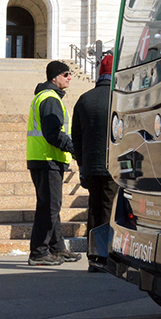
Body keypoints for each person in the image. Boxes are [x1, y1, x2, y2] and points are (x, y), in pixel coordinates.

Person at [26, 60, 81, 266]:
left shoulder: (48, 97)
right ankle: (39, 253)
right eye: (66, 74)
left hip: (44, 158)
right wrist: (74, 148)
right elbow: (52, 134)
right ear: (54, 77)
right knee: (49, 207)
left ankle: (57, 248)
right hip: (47, 158)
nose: (69, 77)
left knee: (51, 205)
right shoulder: (50, 99)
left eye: (70, 74)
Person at [71, 53, 118, 271]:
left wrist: (81, 163)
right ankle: (106, 256)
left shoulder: (84, 99)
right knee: (110, 210)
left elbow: (76, 136)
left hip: (90, 165)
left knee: (94, 208)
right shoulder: (120, 97)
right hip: (113, 165)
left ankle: (93, 257)